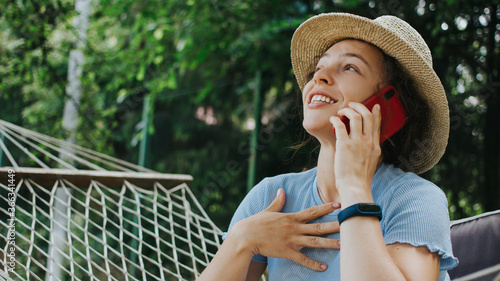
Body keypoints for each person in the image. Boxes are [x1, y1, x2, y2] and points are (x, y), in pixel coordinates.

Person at [198, 12, 458, 281]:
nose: (319, 77)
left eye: (350, 68)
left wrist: (355, 187)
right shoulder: (271, 197)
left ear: (390, 108)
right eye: (318, 68)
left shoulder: (415, 199)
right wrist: (242, 239)